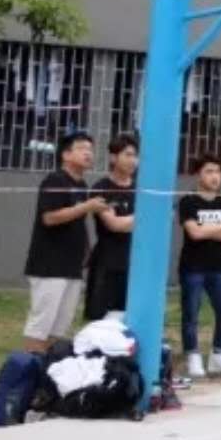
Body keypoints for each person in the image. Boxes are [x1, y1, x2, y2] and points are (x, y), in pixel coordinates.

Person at [22, 132, 101, 353]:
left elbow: (77, 222)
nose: (88, 153)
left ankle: (47, 366)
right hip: (49, 266)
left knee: (60, 325)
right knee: (42, 323)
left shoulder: (82, 184)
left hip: (72, 266)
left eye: (90, 149)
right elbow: (49, 217)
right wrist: (86, 207)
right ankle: (29, 368)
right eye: (82, 148)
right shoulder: (55, 180)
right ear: (66, 154)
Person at [178, 154, 221, 378]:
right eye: (209, 171)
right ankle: (192, 356)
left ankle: (219, 354)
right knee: (191, 313)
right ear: (199, 175)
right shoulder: (188, 201)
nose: (215, 177)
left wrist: (207, 229)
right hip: (192, 267)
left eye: (218, 172)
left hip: (219, 267)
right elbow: (194, 234)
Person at [86, 134, 139, 321]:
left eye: (135, 156)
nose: (133, 161)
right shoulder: (100, 188)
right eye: (128, 155)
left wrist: (131, 222)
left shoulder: (141, 188)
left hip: (135, 262)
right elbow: (114, 224)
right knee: (101, 320)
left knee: (130, 319)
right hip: (107, 262)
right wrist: (146, 217)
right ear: (113, 157)